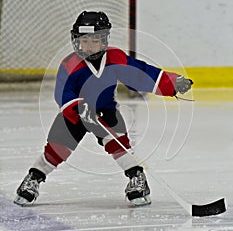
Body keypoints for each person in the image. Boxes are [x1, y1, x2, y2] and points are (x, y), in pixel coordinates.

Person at [14, 11, 193, 207]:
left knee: (119, 145)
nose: (88, 46)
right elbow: (62, 93)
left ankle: (136, 178)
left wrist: (172, 83)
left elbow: (141, 74)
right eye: (84, 40)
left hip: (105, 111)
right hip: (74, 114)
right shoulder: (69, 63)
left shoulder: (115, 58)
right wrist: (78, 107)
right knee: (57, 148)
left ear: (104, 40)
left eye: (94, 40)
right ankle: (34, 178)